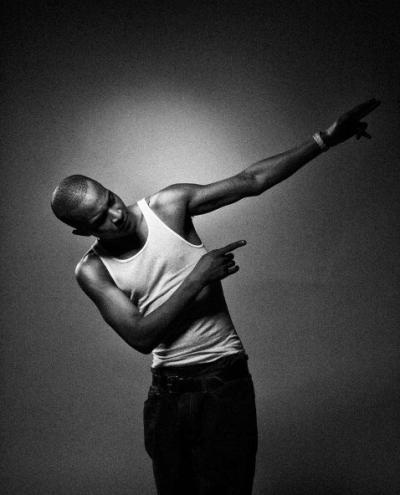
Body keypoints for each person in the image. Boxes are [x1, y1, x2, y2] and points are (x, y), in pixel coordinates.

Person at [51, 99, 380, 495]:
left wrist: (324, 139)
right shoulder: (92, 270)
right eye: (100, 219)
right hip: (166, 395)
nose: (116, 215)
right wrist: (197, 278)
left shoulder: (168, 206)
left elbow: (252, 180)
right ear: (82, 232)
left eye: (111, 200)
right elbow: (140, 336)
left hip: (224, 382)